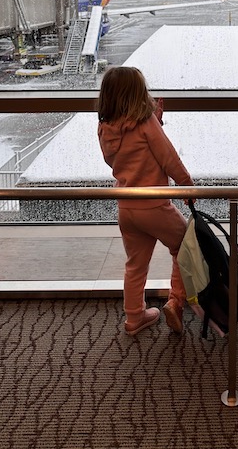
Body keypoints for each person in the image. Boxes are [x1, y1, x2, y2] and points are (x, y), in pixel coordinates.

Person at [97, 65, 194, 337]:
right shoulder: (145, 123)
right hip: (154, 205)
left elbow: (122, 155)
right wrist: (187, 186)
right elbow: (168, 157)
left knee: (135, 264)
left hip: (126, 206)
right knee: (185, 245)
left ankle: (134, 317)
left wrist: (156, 122)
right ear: (138, 93)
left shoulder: (105, 128)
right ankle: (175, 301)